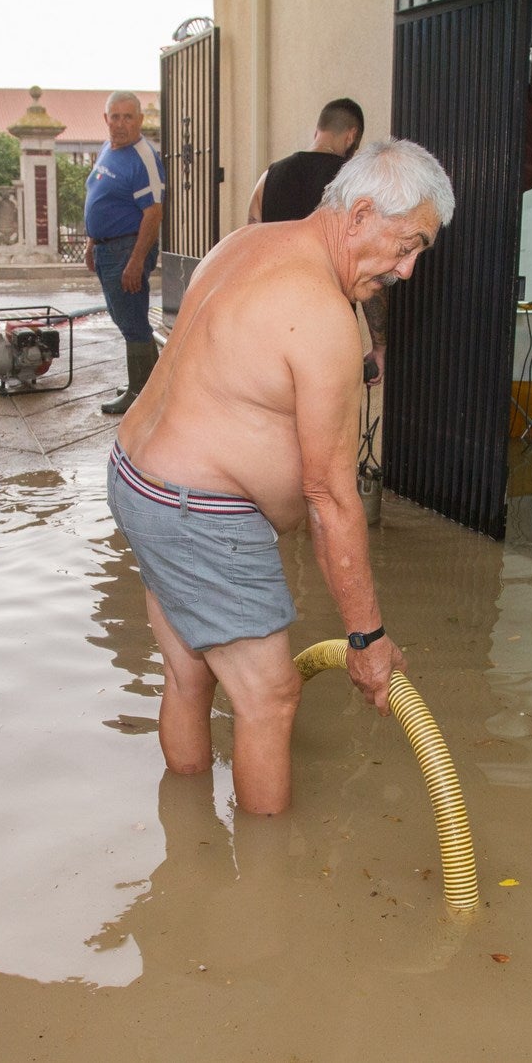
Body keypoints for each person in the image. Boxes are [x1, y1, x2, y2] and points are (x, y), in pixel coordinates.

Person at [107, 139, 454, 814]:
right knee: (268, 698)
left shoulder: (247, 240)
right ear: (358, 216)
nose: (408, 270)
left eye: (420, 253)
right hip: (197, 512)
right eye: (407, 245)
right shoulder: (323, 315)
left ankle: (188, 845)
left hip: (137, 480)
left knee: (188, 674)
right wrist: (367, 637)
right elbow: (330, 498)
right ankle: (264, 892)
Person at [248, 98, 388, 384]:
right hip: (330, 334)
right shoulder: (358, 187)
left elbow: (251, 250)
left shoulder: (269, 177)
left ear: (318, 131)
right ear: (351, 136)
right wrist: (379, 346)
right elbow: (371, 278)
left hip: (274, 330)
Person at [84, 90, 166, 415]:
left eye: (127, 117)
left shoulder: (143, 157)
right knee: (123, 317)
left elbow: (153, 213)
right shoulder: (109, 148)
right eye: (114, 117)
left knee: (132, 320)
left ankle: (139, 393)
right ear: (106, 120)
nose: (120, 124)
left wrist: (135, 261)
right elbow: (98, 195)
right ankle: (150, 386)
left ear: (140, 120)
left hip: (127, 247)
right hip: (107, 247)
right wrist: (91, 242)